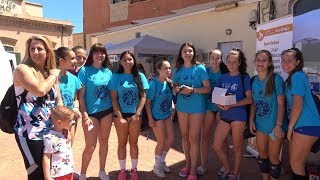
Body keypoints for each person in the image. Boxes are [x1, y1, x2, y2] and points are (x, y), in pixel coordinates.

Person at [13, 35, 62, 180]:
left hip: (50, 132)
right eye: (32, 48)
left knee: (51, 171)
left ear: (47, 52)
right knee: (37, 174)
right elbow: (40, 90)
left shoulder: (48, 73)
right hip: (29, 133)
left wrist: (63, 125)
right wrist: (53, 76)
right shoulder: (22, 70)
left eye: (39, 48)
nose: (35, 52)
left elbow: (58, 101)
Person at [172, 42, 211, 180]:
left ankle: (193, 170)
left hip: (197, 108)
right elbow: (174, 85)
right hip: (182, 107)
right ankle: (187, 165)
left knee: (194, 138)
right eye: (185, 51)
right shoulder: (177, 69)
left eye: (190, 51)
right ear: (181, 54)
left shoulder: (200, 68)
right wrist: (175, 89)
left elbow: (207, 88)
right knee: (184, 136)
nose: (187, 53)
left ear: (193, 53)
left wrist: (192, 90)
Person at [213, 49, 252, 180]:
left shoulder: (244, 77)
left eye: (234, 62)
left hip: (239, 117)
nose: (231, 64)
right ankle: (227, 169)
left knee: (237, 147)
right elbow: (217, 95)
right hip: (225, 116)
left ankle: (235, 173)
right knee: (217, 145)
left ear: (240, 63)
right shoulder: (223, 77)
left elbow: (250, 99)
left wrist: (232, 105)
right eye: (229, 61)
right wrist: (219, 104)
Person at [281, 48, 320, 180]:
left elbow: (297, 106)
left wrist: (290, 128)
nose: (285, 63)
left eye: (289, 60)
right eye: (283, 60)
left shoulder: (297, 76)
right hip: (301, 124)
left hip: (306, 124)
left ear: (297, 62)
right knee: (296, 165)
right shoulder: (294, 77)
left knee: (296, 165)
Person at [110, 51, 149, 180]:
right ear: (121, 62)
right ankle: (122, 170)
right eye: (125, 60)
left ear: (134, 61)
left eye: (130, 59)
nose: (127, 62)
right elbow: (114, 98)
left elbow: (143, 96)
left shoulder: (140, 76)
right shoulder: (116, 77)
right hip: (120, 116)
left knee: (134, 143)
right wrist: (120, 117)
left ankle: (133, 170)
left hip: (135, 116)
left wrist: (137, 114)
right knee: (122, 143)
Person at [77, 43, 113, 180]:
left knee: (104, 142)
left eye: (102, 52)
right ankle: (83, 173)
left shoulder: (108, 72)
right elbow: (81, 97)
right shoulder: (84, 71)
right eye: (96, 52)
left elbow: (112, 93)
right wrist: (85, 116)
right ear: (91, 55)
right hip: (90, 114)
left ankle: (102, 171)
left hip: (107, 112)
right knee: (90, 146)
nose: (100, 55)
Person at [249, 50, 286, 180]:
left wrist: (278, 125)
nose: (260, 63)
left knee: (274, 158)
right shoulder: (253, 80)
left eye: (264, 60)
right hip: (260, 126)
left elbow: (281, 104)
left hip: (275, 127)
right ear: (254, 62)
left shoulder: (276, 79)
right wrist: (251, 120)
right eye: (258, 60)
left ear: (270, 63)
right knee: (262, 156)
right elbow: (253, 103)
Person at [197, 49, 229, 176]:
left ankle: (224, 165)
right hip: (208, 107)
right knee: (204, 136)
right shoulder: (205, 72)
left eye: (218, 58)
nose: (215, 60)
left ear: (221, 59)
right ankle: (203, 164)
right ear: (209, 58)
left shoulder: (225, 73)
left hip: (222, 108)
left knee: (223, 139)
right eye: (213, 58)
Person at [145, 60, 175, 178]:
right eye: (165, 68)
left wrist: (172, 108)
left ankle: (161, 162)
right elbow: (147, 103)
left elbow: (171, 97)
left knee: (171, 139)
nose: (168, 70)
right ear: (159, 70)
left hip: (167, 115)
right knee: (161, 141)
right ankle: (157, 167)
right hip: (157, 117)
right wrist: (150, 119)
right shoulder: (154, 84)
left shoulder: (169, 83)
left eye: (169, 68)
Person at [55, 47, 82, 145]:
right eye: (72, 58)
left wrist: (76, 108)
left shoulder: (74, 79)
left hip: (70, 120)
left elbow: (75, 99)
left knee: (68, 148)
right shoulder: (51, 77)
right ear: (62, 60)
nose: (76, 61)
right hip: (56, 121)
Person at [43, 105, 75, 180]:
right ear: (59, 123)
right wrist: (47, 177)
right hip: (59, 174)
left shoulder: (65, 133)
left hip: (68, 171)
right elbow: (46, 157)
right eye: (70, 120)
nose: (73, 122)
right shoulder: (50, 138)